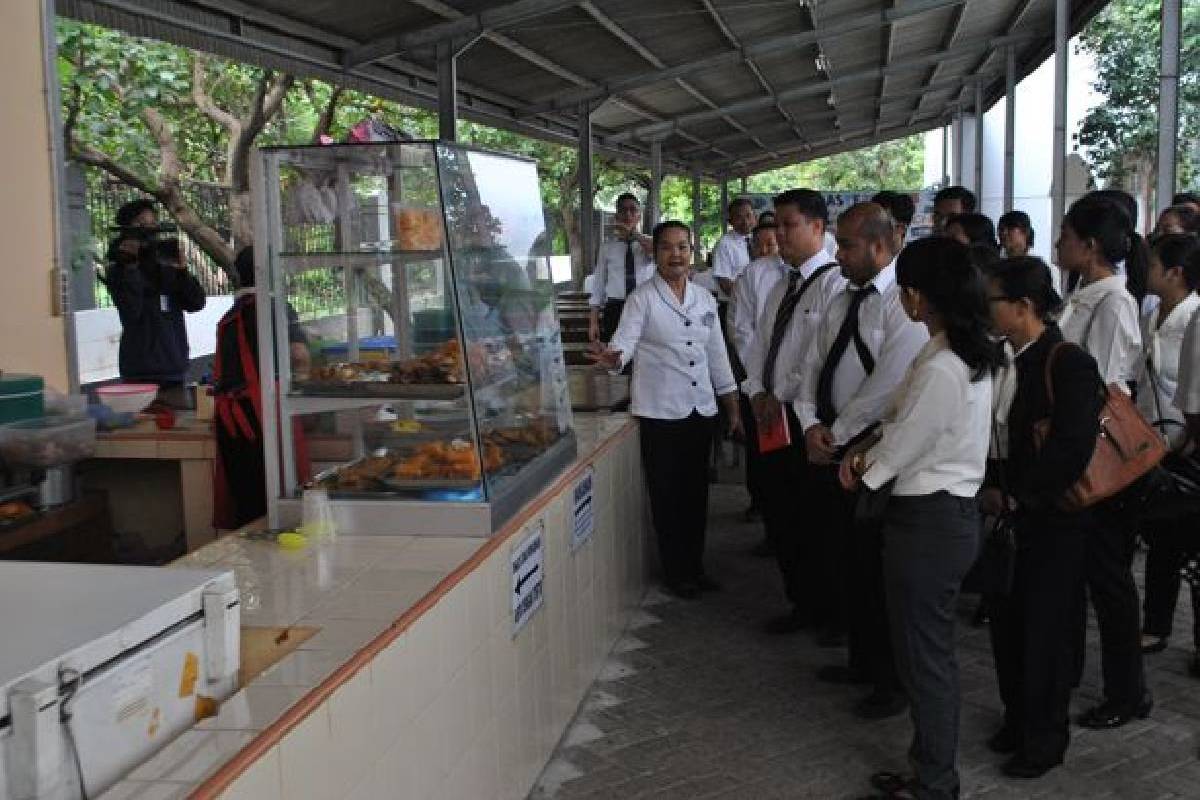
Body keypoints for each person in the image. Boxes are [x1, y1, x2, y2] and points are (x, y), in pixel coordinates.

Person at [844, 236, 999, 800]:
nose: (903, 300)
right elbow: (901, 420)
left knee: (927, 661)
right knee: (922, 655)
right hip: (938, 518)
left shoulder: (946, 365)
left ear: (920, 296)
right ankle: (927, 768)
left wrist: (864, 468)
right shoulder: (954, 352)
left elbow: (907, 439)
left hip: (931, 523)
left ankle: (936, 782)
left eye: (907, 289)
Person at [795, 202, 927, 718]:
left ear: (877, 245)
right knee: (846, 559)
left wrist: (840, 433)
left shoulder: (903, 301)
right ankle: (860, 658)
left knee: (877, 569)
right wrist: (809, 423)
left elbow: (889, 384)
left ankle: (887, 680)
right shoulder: (841, 295)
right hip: (830, 445)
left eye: (845, 245)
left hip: (872, 449)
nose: (838, 254)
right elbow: (813, 360)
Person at [983, 256, 1105, 779]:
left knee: (1046, 631)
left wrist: (1020, 498)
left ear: (1023, 307)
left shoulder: (1066, 360)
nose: (985, 310)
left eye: (993, 301)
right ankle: (1017, 717)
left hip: (1051, 519)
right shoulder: (999, 357)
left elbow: (1071, 448)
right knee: (1007, 624)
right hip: (1006, 513)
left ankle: (1045, 737)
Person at [588, 221, 743, 599]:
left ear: (693, 252)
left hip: (700, 410)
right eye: (668, 248)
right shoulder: (642, 298)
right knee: (666, 495)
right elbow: (624, 341)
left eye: (683, 247)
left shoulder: (704, 299)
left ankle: (696, 566)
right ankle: (676, 572)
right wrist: (613, 358)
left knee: (696, 494)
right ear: (655, 253)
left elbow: (717, 356)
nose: (676, 255)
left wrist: (731, 406)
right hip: (661, 412)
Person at [1056, 195, 1153, 730]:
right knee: (1083, 575)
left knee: (1109, 582)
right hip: (1076, 455)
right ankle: (1070, 672)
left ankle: (1128, 691)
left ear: (1089, 245)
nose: (1059, 242)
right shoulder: (1083, 293)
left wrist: (1077, 464)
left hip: (1100, 465)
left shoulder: (1113, 303)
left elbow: (1105, 391)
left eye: (1067, 234)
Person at [741, 190, 844, 631]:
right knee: (781, 516)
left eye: (789, 225)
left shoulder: (835, 284)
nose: (779, 234)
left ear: (818, 228)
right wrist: (757, 390)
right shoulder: (782, 284)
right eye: (776, 226)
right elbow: (759, 343)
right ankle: (801, 603)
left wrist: (782, 396)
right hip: (770, 416)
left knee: (814, 524)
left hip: (807, 422)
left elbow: (817, 360)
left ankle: (827, 612)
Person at [212, 247, 311, 529]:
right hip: (263, 415)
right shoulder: (275, 307)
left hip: (231, 419)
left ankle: (253, 564)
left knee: (247, 501)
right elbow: (299, 355)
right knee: (276, 498)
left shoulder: (232, 313)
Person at [1136, 235, 1200, 663]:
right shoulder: (1150, 310)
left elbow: (1193, 398)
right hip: (1153, 435)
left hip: (1184, 441)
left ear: (1176, 272)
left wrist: (1183, 444)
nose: (1147, 270)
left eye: (1154, 263)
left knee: (1191, 549)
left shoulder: (1195, 316)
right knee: (1162, 538)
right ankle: (1155, 623)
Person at [730, 222, 785, 527]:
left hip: (797, 387)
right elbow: (743, 331)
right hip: (759, 377)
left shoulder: (824, 274)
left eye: (773, 242)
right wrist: (760, 379)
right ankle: (761, 506)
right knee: (762, 448)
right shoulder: (754, 274)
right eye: (761, 244)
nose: (769, 249)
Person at [109, 235, 206, 402]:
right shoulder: (121, 271)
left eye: (153, 225)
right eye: (141, 227)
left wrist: (182, 270)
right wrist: (130, 268)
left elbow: (196, 303)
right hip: (139, 372)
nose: (149, 236)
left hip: (173, 368)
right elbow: (131, 311)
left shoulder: (168, 268)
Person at [587, 193, 655, 344]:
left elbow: (655, 252)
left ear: (639, 215)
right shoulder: (607, 247)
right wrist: (593, 322)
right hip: (615, 308)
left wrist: (633, 233)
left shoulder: (647, 242)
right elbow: (598, 285)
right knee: (616, 356)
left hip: (644, 306)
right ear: (617, 215)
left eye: (633, 210)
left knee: (645, 356)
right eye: (623, 210)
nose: (628, 214)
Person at [712, 198, 758, 300]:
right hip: (733, 304)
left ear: (755, 217)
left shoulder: (758, 240)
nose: (745, 222)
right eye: (739, 217)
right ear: (730, 221)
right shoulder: (724, 244)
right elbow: (725, 283)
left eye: (748, 216)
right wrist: (748, 299)